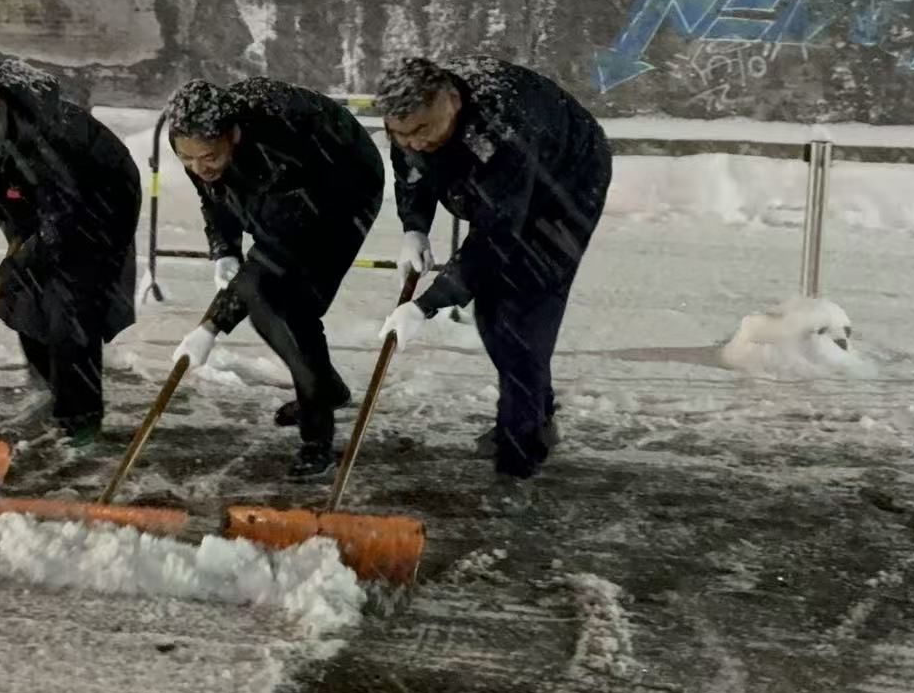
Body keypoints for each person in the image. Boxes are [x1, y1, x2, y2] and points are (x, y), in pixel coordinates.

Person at [372, 55, 610, 480]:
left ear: (451, 100)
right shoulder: (409, 122)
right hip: (503, 189)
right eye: (399, 132)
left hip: (566, 184)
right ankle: (536, 412)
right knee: (492, 312)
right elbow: (412, 172)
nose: (414, 142)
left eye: (423, 130)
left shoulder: (502, 131)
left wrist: (426, 305)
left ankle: (519, 455)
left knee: (518, 314)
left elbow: (496, 237)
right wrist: (415, 229)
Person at [162, 78, 385, 478]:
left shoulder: (279, 152)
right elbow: (213, 197)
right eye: (187, 159)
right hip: (281, 178)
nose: (199, 167)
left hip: (344, 185)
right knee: (267, 302)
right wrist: (224, 250)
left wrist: (212, 325)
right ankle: (323, 388)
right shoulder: (200, 145)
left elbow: (270, 255)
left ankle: (317, 437)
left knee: (290, 307)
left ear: (233, 135)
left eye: (208, 156)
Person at [0, 60, 141, 443]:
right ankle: (53, 388)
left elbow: (64, 215)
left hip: (102, 202)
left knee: (72, 308)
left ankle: (81, 420)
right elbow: (11, 191)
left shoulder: (42, 140)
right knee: (23, 300)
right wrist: (23, 246)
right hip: (45, 200)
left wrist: (26, 257)